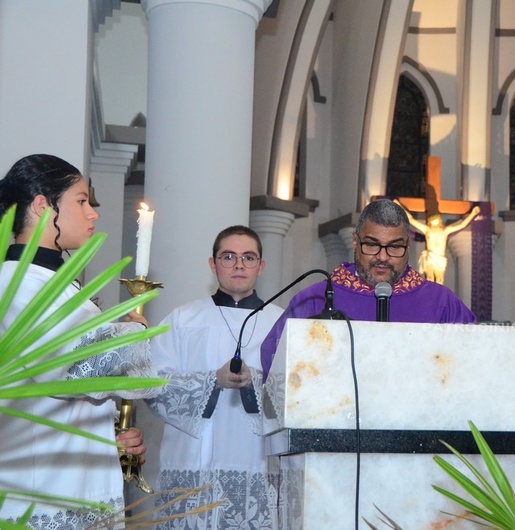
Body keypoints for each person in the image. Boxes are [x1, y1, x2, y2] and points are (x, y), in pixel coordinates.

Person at [0, 154, 157, 528]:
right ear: (43, 206)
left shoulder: (55, 284)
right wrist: (132, 334)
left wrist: (109, 439)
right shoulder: (18, 283)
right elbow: (69, 367)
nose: (93, 214)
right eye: (81, 201)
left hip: (71, 481)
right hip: (40, 494)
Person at [145, 225, 283, 529]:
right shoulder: (183, 319)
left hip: (256, 460)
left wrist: (255, 380)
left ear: (261, 266)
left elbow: (298, 393)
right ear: (213, 264)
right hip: (192, 460)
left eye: (248, 258)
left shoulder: (281, 323)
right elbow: (153, 385)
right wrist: (212, 381)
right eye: (228, 257)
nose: (238, 265)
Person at [261, 198, 476, 377]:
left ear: (408, 245)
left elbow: (475, 361)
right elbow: (276, 364)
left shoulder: (440, 302)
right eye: (372, 244)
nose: (382, 257)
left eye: (394, 247)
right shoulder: (315, 299)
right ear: (355, 241)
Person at [395, 200, 480, 284]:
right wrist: (399, 205)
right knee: (430, 278)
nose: (435, 226)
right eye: (433, 224)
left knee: (439, 280)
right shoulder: (427, 230)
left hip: (440, 258)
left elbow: (462, 225)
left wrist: (473, 214)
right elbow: (411, 220)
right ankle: (430, 292)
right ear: (430, 224)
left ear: (440, 223)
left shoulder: (445, 231)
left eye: (437, 224)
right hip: (430, 257)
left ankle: (438, 293)